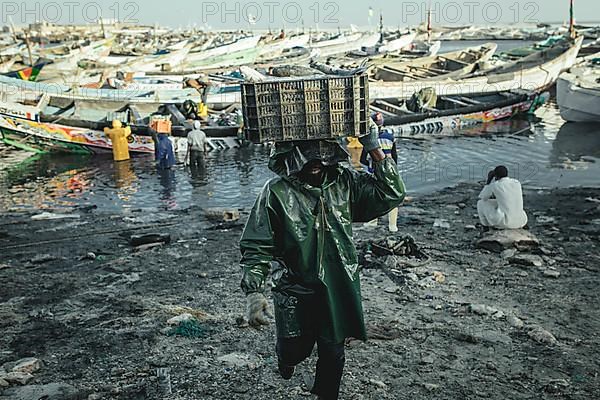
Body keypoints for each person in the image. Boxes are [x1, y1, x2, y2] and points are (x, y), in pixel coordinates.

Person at [239, 126, 406, 400]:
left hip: (338, 285)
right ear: (292, 157)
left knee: (334, 351)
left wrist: (373, 148)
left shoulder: (345, 183)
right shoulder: (276, 192)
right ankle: (287, 359)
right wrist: (254, 291)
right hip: (294, 286)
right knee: (293, 349)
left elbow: (391, 193)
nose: (315, 163)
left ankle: (326, 395)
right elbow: (257, 243)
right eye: (308, 157)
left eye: (322, 157)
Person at [360, 112, 399, 232]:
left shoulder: (370, 139)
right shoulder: (390, 137)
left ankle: (372, 222)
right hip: (390, 171)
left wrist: (369, 166)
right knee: (392, 195)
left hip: (374, 171)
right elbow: (395, 156)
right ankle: (393, 225)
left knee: (374, 196)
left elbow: (362, 159)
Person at [477, 165, 528, 229]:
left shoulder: (495, 185)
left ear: (495, 176)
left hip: (507, 223)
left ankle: (485, 226)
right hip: (522, 220)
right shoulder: (517, 182)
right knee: (507, 201)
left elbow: (483, 197)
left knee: (480, 203)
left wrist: (488, 181)